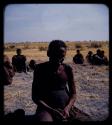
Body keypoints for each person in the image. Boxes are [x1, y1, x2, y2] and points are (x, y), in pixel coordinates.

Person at [32, 40, 76, 121]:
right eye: (56, 56)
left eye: (62, 56)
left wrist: (67, 108)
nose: (59, 59)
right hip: (46, 109)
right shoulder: (40, 69)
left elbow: (73, 94)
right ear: (48, 53)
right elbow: (35, 96)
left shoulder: (67, 69)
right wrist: (52, 110)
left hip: (66, 108)